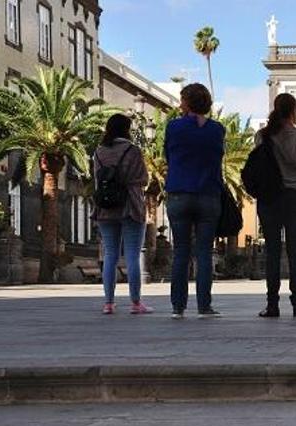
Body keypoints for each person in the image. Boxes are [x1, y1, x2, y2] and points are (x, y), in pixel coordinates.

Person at [255, 93, 296, 318]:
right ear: (294, 111)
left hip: (270, 198)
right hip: (295, 197)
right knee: (295, 252)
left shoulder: (262, 136)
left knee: (272, 252)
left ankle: (272, 305)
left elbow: (259, 165)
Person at [164, 83, 225, 320]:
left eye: (182, 100)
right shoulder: (217, 129)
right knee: (203, 252)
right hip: (208, 194)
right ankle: (204, 306)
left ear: (187, 103)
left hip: (179, 193)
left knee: (180, 252)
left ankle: (178, 306)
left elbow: (168, 156)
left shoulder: (174, 127)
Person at [92, 114, 152, 315]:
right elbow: (142, 178)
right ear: (127, 129)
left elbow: (97, 178)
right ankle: (136, 303)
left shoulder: (99, 152)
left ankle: (108, 303)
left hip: (105, 208)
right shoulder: (132, 150)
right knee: (133, 256)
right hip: (130, 205)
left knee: (110, 255)